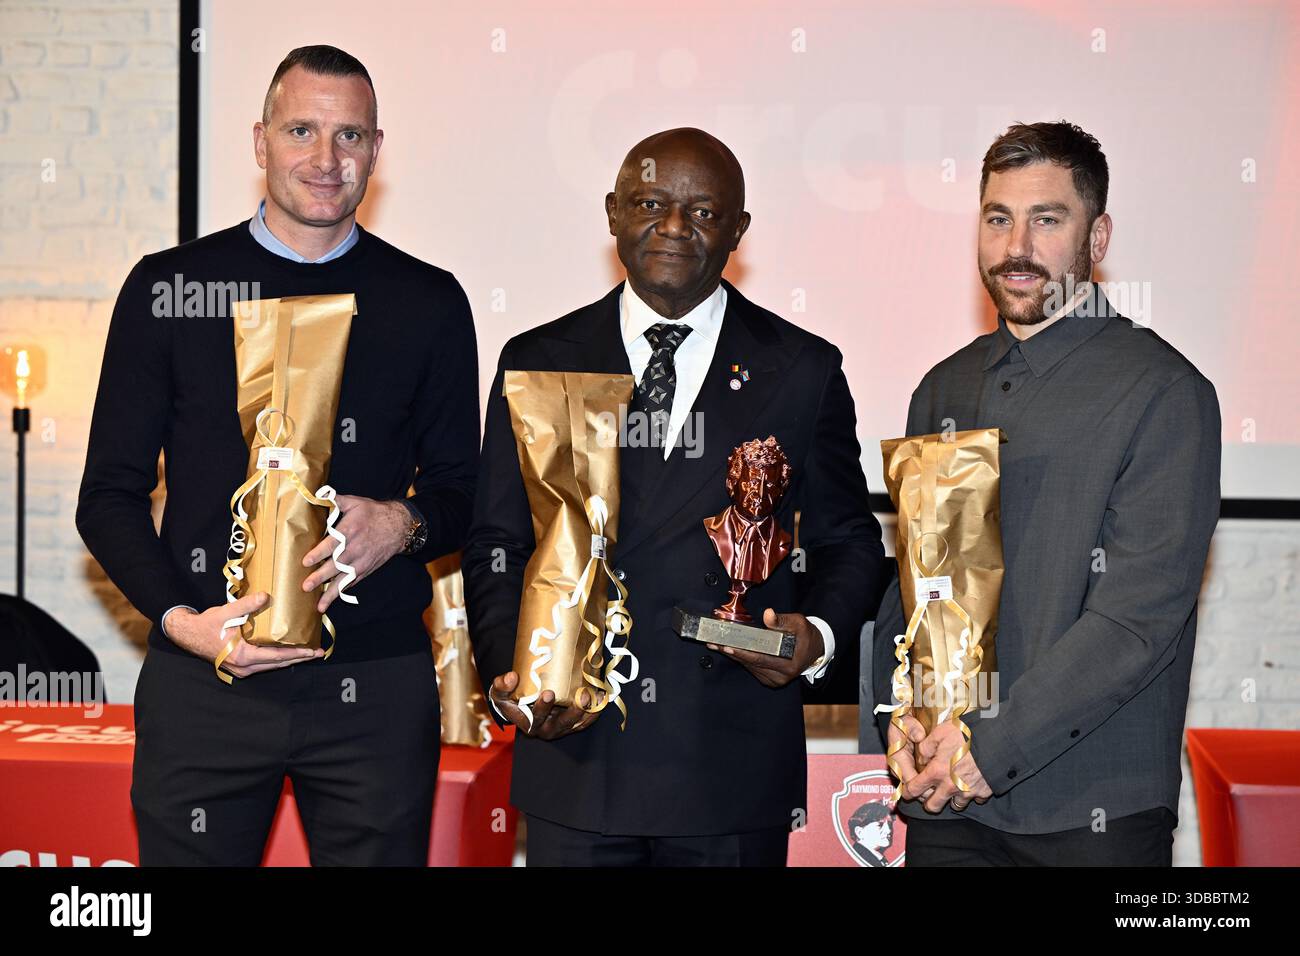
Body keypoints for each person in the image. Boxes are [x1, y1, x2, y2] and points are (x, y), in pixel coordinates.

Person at [76, 45, 479, 865]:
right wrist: (181, 623)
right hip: (206, 684)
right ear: (260, 140)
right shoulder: (170, 288)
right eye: (302, 130)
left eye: (351, 137)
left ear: (376, 149)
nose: (326, 160)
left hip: (377, 689)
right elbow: (108, 496)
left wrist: (403, 524)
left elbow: (466, 493)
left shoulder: (428, 301)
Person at [464, 127, 885, 866]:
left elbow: (849, 540)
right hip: (576, 750)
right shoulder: (537, 360)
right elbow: (498, 538)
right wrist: (514, 666)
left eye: (703, 211)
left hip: (727, 763)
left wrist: (814, 634)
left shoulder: (801, 368)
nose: (673, 227)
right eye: (650, 202)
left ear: (738, 230)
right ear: (613, 213)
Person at [873, 121, 1220, 866]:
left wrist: (985, 749)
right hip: (945, 803)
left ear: (1098, 239)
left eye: (1046, 219)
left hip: (1091, 814)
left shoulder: (1165, 391)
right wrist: (899, 715)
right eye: (998, 218)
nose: (1015, 246)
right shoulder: (943, 386)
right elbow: (914, 591)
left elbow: (1136, 619)